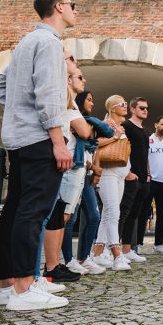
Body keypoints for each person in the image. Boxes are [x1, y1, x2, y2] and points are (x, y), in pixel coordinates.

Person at [0, 0, 76, 311]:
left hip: (19, 138)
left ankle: (7, 283)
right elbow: (49, 94)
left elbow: (2, 88)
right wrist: (58, 141)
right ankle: (25, 288)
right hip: (41, 139)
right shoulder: (50, 44)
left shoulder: (26, 42)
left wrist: (18, 110)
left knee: (14, 210)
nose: (74, 10)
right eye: (71, 5)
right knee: (33, 212)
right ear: (58, 7)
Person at [40, 67, 93, 284]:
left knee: (63, 214)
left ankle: (55, 264)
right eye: (80, 77)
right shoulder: (67, 107)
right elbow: (85, 131)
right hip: (67, 163)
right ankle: (50, 266)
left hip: (70, 163)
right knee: (58, 214)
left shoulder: (70, 106)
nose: (84, 80)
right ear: (68, 80)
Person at [62, 89, 113, 275]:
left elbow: (96, 145)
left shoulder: (87, 122)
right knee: (70, 218)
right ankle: (68, 260)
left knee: (93, 216)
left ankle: (84, 258)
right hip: (74, 170)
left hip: (85, 173)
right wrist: (93, 166)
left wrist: (94, 168)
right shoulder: (75, 120)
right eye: (89, 100)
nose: (92, 103)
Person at [89, 95, 131, 271]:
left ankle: (97, 253)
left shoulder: (120, 126)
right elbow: (96, 143)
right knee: (113, 213)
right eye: (122, 104)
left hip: (119, 174)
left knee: (108, 213)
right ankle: (117, 254)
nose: (126, 106)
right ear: (112, 108)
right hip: (108, 174)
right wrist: (115, 136)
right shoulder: (105, 124)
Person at [117, 97, 151, 264]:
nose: (145, 110)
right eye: (142, 108)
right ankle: (114, 250)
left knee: (135, 214)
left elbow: (146, 155)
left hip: (144, 178)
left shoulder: (145, 131)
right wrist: (128, 172)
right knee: (123, 212)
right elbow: (121, 149)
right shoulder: (126, 126)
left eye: (146, 108)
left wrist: (148, 174)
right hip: (129, 177)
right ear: (132, 109)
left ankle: (127, 249)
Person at [140, 115, 163, 254]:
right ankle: (138, 243)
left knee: (162, 213)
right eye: (162, 124)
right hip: (150, 181)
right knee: (144, 212)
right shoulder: (148, 140)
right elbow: (143, 159)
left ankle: (158, 244)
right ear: (156, 124)